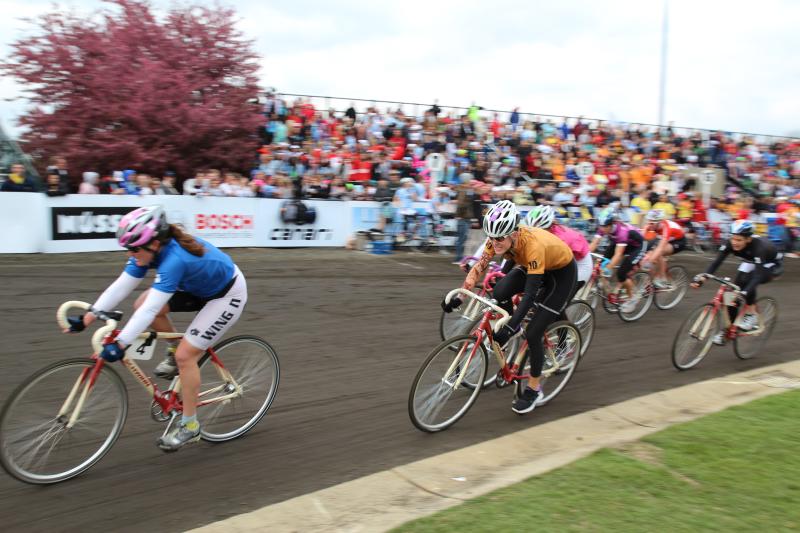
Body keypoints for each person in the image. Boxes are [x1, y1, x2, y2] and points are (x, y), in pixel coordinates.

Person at [64, 206, 248, 451]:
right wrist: (87, 318)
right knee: (141, 303)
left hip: (227, 295)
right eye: (128, 248)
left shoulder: (174, 259)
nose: (130, 253)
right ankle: (172, 351)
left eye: (134, 248)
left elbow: (149, 312)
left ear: (154, 243)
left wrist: (121, 344)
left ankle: (190, 427)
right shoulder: (151, 251)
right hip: (196, 288)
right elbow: (121, 287)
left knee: (187, 356)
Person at [443, 200, 576, 414]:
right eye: (492, 237)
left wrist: (510, 327)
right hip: (536, 266)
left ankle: (534, 389)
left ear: (514, 233)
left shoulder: (532, 246)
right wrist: (460, 297)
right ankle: (513, 325)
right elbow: (478, 267)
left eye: (500, 238)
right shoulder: (497, 238)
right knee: (500, 291)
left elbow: (530, 295)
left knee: (533, 333)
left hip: (561, 275)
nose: (495, 243)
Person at [691, 219, 783, 344]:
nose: (734, 242)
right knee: (731, 295)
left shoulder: (758, 248)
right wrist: (703, 277)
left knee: (748, 281)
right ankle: (730, 329)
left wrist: (744, 293)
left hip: (770, 264)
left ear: (748, 239)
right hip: (750, 261)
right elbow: (716, 262)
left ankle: (751, 314)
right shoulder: (730, 243)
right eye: (733, 238)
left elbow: (757, 276)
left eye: (739, 240)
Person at [524, 204, 591, 295]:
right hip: (567, 259)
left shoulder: (560, 239)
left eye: (539, 231)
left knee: (561, 294)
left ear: (549, 227)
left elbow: (548, 264)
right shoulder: (544, 233)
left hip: (581, 264)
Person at [589, 207, 645, 313]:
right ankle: (609, 289)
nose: (603, 229)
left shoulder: (622, 232)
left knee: (621, 273)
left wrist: (607, 269)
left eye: (605, 226)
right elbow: (594, 243)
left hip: (637, 247)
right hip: (620, 243)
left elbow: (618, 254)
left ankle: (633, 297)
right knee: (600, 263)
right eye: (601, 226)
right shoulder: (603, 227)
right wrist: (584, 254)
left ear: (612, 224)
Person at [641, 208, 687, 288]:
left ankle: (662, 278)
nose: (649, 224)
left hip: (679, 241)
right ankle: (652, 281)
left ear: (659, 222)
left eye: (652, 222)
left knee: (658, 253)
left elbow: (660, 248)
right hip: (667, 239)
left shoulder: (666, 227)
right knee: (651, 255)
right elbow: (642, 240)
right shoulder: (650, 225)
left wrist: (649, 262)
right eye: (648, 221)